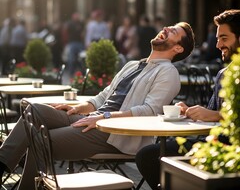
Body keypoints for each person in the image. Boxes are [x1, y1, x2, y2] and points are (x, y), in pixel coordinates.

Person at [0, 22, 195, 189]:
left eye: (174, 32)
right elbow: (103, 97)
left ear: (178, 48)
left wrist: (104, 118)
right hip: (94, 119)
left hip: (115, 133)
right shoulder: (132, 65)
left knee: (38, 138)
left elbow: (149, 111)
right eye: (169, 27)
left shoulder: (168, 73)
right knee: (33, 110)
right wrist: (80, 107)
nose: (167, 28)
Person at [135, 9, 240, 190]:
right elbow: (212, 115)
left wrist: (215, 116)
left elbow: (217, 116)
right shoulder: (224, 73)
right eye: (217, 39)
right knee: (150, 154)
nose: (217, 45)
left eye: (224, 38)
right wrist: (192, 111)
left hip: (228, 149)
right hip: (210, 142)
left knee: (149, 156)